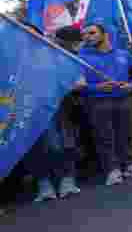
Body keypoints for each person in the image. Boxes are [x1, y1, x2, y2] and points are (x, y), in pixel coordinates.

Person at [78, 23, 132, 186]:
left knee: (127, 134)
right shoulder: (81, 58)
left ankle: (130, 165)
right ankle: (112, 170)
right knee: (104, 137)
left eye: (92, 33)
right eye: (85, 35)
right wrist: (96, 87)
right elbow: (77, 85)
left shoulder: (124, 54)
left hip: (124, 99)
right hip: (97, 102)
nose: (88, 37)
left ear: (105, 34)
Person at [25, 26, 86, 202]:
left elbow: (75, 77)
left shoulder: (55, 55)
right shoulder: (13, 58)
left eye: (31, 33)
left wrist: (75, 82)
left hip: (56, 107)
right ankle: (44, 184)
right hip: (26, 110)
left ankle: (67, 180)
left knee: (59, 144)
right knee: (34, 148)